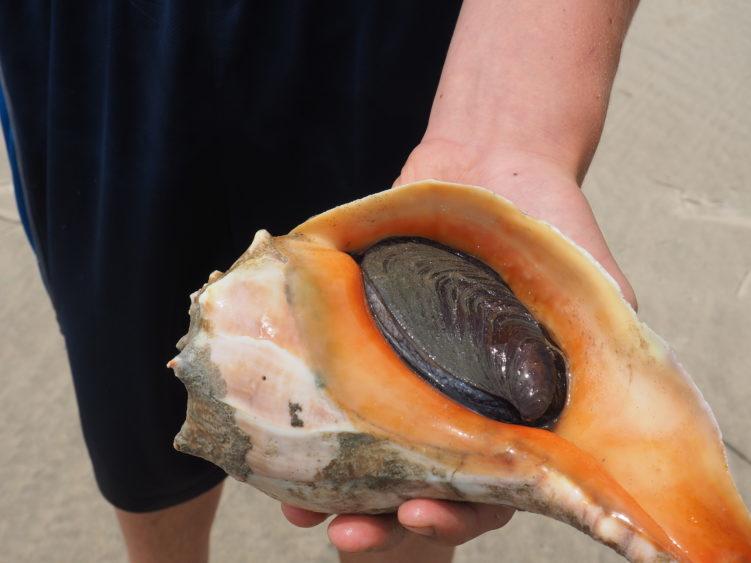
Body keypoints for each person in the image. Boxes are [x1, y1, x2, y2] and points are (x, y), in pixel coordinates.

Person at [0, 1, 639, 562]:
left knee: (411, 505)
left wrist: (515, 133)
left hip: (388, 28)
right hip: (99, 27)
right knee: (128, 393)